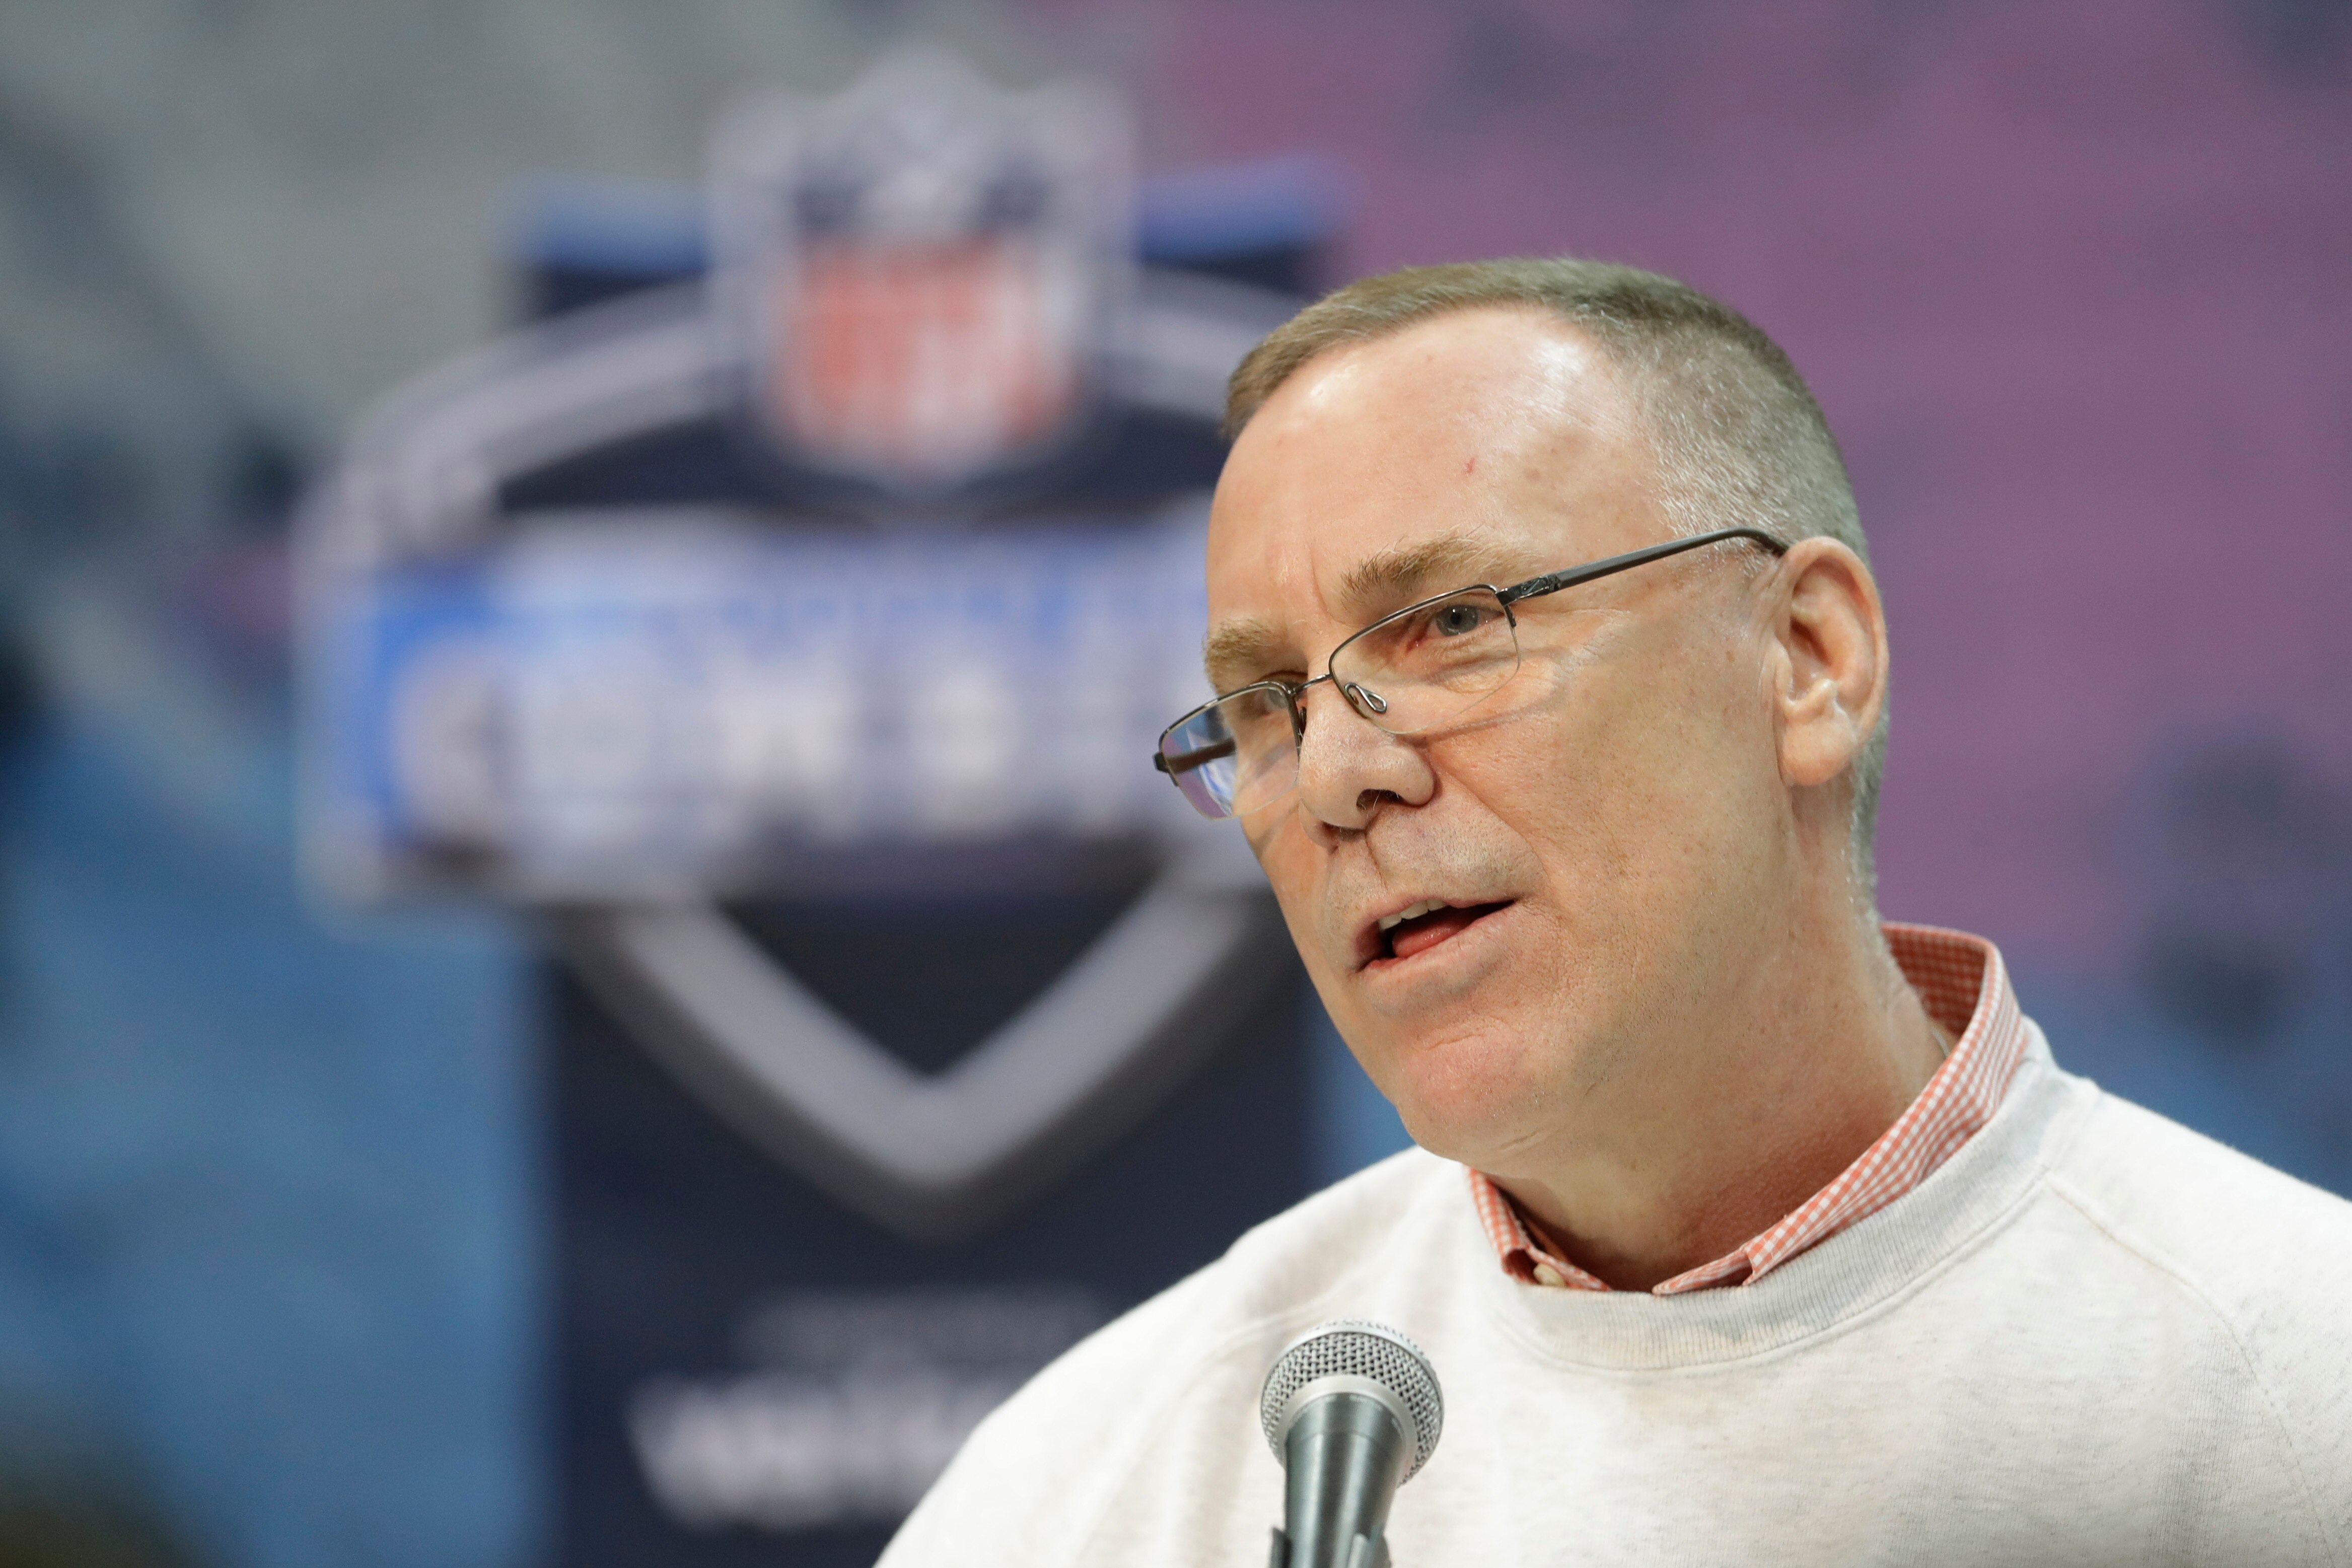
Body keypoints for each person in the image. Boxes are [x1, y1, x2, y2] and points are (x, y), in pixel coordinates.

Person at [877, 259, 2352, 1565]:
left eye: (1456, 624)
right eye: (1265, 706)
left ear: (1808, 659)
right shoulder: (1091, 1486)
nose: (1333, 776)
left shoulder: (2295, 1388)